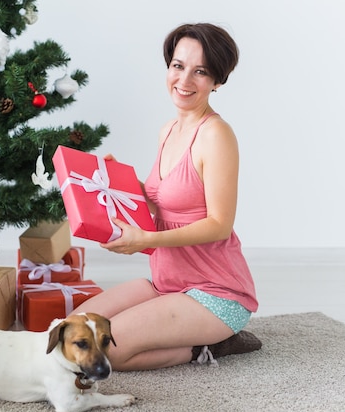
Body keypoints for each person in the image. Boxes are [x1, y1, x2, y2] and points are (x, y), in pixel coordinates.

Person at [70, 23, 261, 371]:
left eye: (200, 72)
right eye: (178, 65)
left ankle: (209, 347)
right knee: (74, 329)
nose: (184, 80)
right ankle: (189, 336)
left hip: (216, 293)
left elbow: (220, 225)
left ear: (217, 81)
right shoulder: (168, 130)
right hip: (166, 285)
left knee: (101, 353)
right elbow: (161, 202)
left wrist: (147, 238)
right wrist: (114, 182)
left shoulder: (216, 135)